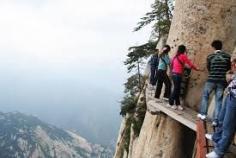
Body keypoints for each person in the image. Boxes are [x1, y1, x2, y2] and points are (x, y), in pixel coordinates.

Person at [205, 58, 236, 158]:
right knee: (222, 119)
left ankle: (219, 152)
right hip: (231, 95)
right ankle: (216, 137)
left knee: (228, 126)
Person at [198, 40, 231, 126]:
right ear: (221, 47)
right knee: (218, 100)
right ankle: (215, 120)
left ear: (213, 47)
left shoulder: (210, 56)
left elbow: (209, 68)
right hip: (221, 81)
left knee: (205, 96)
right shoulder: (227, 56)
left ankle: (203, 115)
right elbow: (228, 68)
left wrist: (213, 73)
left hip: (211, 80)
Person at [169, 45, 200, 110]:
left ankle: (177, 104)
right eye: (185, 49)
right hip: (178, 75)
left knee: (177, 89)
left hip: (174, 75)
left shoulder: (175, 56)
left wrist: (172, 72)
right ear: (184, 50)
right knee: (176, 89)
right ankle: (171, 103)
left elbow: (171, 65)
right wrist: (196, 68)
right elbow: (190, 63)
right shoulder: (183, 56)